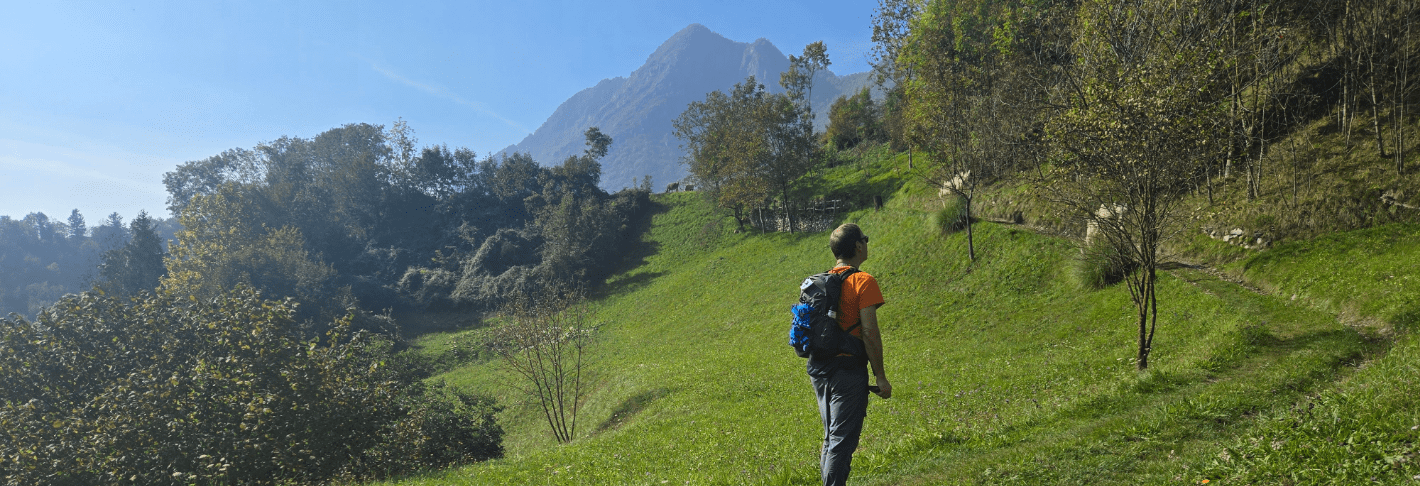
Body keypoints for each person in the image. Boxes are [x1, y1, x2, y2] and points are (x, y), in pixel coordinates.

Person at [809, 223, 890, 486]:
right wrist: (880, 377)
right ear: (858, 246)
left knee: (831, 438)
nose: (866, 243)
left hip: (820, 369)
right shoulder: (863, 281)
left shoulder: (820, 282)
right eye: (865, 239)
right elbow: (869, 333)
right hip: (848, 371)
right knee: (841, 442)